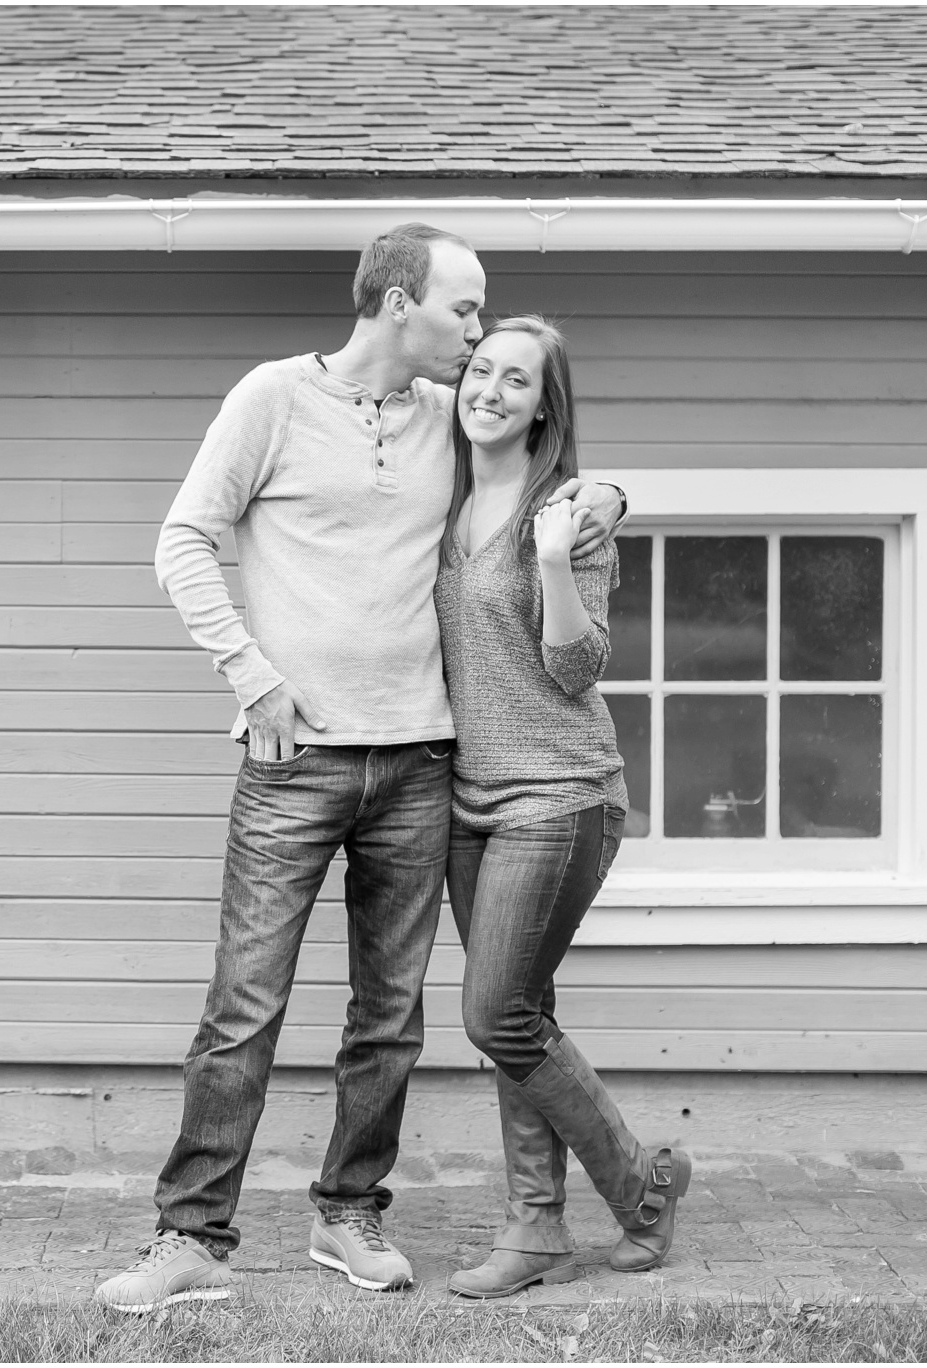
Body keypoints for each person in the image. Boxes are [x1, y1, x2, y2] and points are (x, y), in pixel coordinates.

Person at [95, 225, 628, 1314]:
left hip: (423, 761)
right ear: (397, 304)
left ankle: (349, 1212)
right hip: (293, 761)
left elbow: (544, 459)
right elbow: (182, 541)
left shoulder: (448, 411)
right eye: (462, 310)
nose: (476, 334)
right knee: (243, 1006)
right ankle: (189, 1236)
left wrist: (607, 498)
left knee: (388, 1013)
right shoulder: (271, 400)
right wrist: (251, 675)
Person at [433, 315, 692, 1299]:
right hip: (467, 800)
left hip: (560, 794)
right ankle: (535, 1230)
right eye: (479, 369)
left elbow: (577, 665)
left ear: (544, 402)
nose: (489, 388)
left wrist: (549, 559)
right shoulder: (438, 491)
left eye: (515, 378)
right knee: (522, 1014)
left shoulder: (570, 512)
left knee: (495, 1014)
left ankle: (638, 1188)